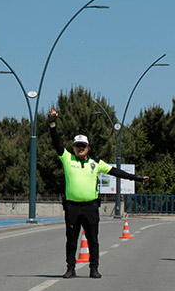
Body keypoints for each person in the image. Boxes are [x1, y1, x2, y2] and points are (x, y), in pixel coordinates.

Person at [48, 109, 149, 279]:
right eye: (77, 145)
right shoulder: (67, 159)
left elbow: (116, 171)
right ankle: (70, 268)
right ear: (74, 147)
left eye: (83, 146)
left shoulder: (96, 163)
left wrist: (136, 178)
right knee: (71, 239)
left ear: (88, 148)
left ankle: (94, 268)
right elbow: (56, 142)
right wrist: (52, 124)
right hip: (72, 206)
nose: (80, 148)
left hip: (91, 206)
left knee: (93, 239)